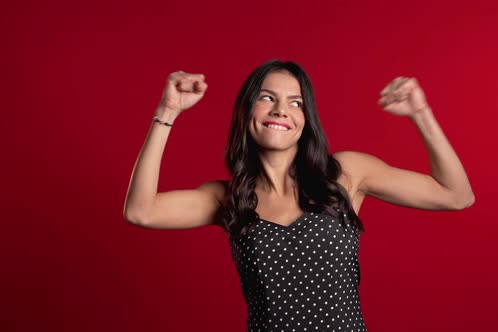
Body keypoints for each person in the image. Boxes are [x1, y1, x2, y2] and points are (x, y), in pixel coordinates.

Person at [123, 60, 475, 331]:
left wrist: (420, 113)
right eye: (267, 98)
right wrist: (167, 112)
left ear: (306, 120)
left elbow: (455, 195)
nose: (281, 110)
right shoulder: (228, 198)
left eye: (296, 102)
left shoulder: (346, 174)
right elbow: (141, 211)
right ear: (247, 111)